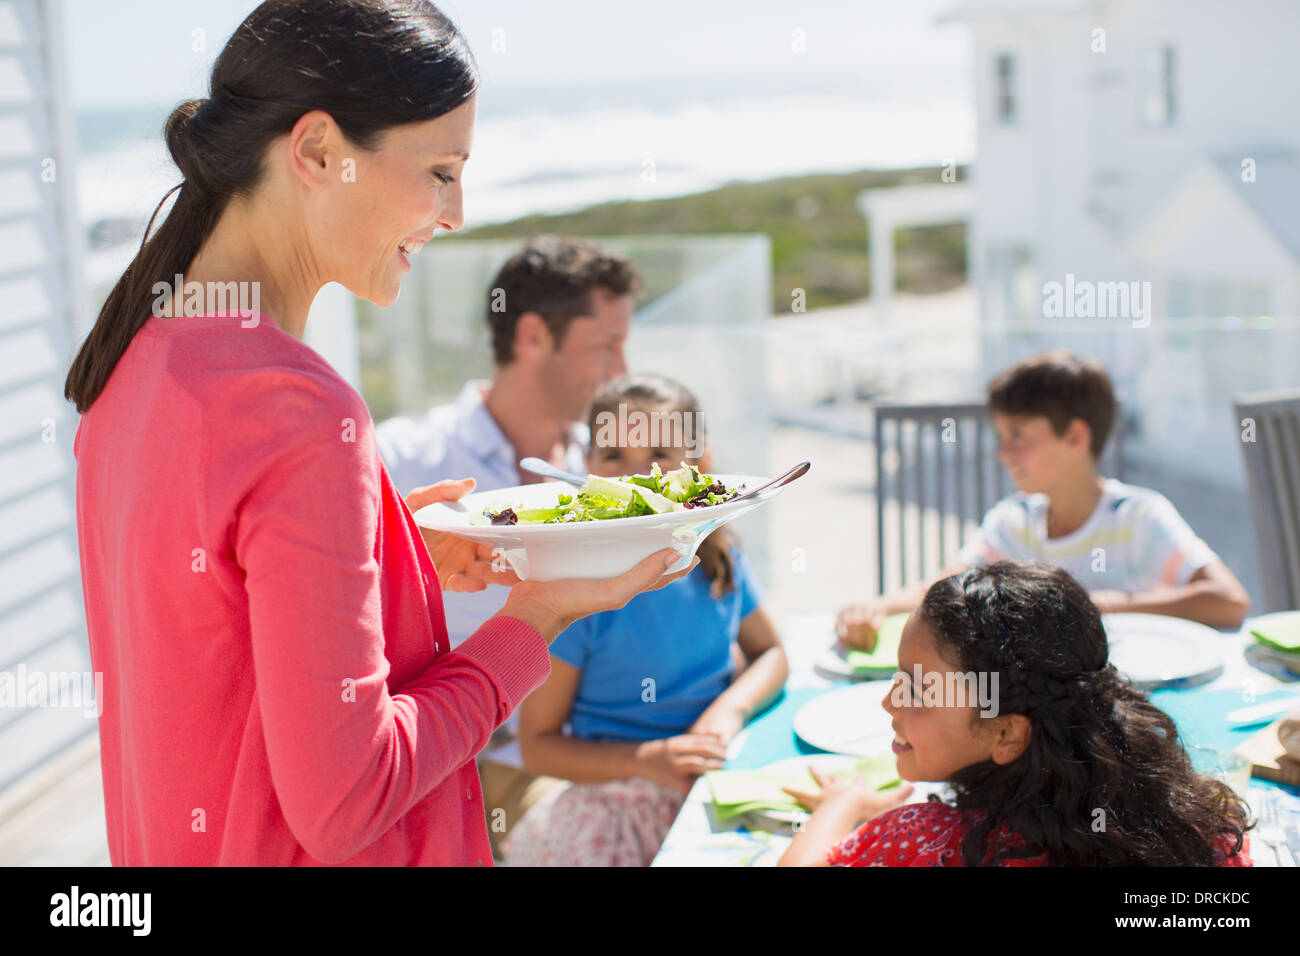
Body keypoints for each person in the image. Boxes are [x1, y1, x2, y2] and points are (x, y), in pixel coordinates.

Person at [64, 0, 692, 867]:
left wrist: (384, 558)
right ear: (318, 152)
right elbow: (349, 800)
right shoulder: (299, 412)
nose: (458, 211)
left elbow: (210, 647)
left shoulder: (133, 368)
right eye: (441, 171)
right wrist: (532, 622)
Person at [375, 235, 640, 855]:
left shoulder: (603, 471)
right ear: (532, 337)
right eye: (606, 346)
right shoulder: (406, 461)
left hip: (585, 747)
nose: (620, 371)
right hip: (453, 753)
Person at [780, 561, 1252, 866]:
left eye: (918, 689)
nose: (889, 702)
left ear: (1006, 733)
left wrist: (840, 805)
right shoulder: (1199, 829)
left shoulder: (921, 844)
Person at [503, 374, 790, 865]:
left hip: (713, 781)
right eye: (614, 458)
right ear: (588, 470)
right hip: (615, 799)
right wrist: (650, 760)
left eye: (659, 454)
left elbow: (773, 655)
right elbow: (537, 746)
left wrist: (730, 709)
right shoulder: (578, 593)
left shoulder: (720, 561)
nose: (636, 474)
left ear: (699, 466)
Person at [837, 351, 1250, 650]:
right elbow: (949, 584)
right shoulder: (1013, 523)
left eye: (1018, 436)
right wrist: (878, 606)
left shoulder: (1138, 517)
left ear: (1075, 437)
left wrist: (1096, 607)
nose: (1003, 453)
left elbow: (1229, 602)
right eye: (1001, 438)